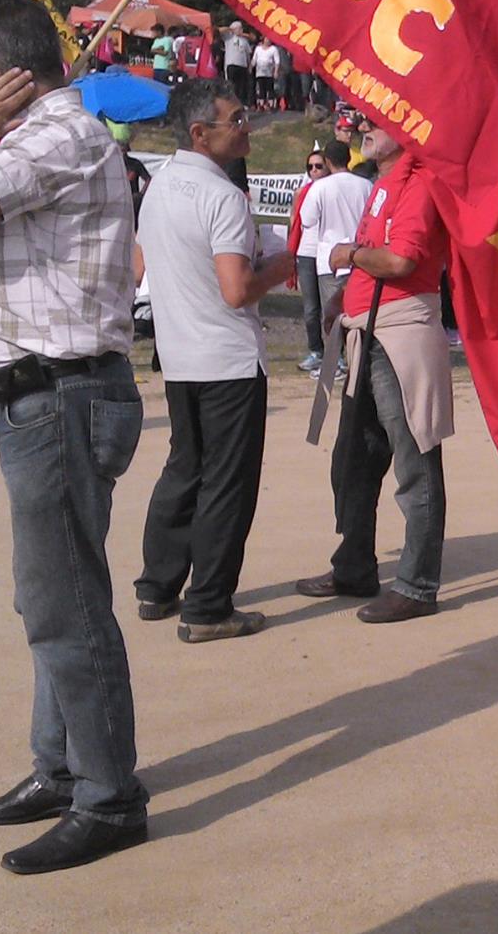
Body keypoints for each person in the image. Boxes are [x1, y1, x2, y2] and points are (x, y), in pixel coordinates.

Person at [0, 0, 147, 875]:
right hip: (49, 396)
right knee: (50, 598)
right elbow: (15, 244)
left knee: (66, 606)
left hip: (60, 398)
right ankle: (63, 767)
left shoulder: (56, 135)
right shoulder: (56, 140)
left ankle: (108, 797)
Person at [134, 79, 293, 643]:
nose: (246, 128)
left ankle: (158, 585)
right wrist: (281, 265)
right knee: (227, 483)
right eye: (237, 120)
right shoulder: (221, 196)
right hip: (226, 358)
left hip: (181, 353)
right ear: (200, 132)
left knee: (185, 469)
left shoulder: (159, 185)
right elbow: (236, 289)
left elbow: (140, 264)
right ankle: (207, 605)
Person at [297, 117, 454, 623]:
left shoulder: (419, 183)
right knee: (353, 460)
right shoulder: (385, 183)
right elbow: (382, 258)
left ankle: (417, 585)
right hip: (370, 332)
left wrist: (348, 254)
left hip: (399, 333)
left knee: (414, 462)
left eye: (376, 120)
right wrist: (345, 294)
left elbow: (401, 262)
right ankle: (354, 566)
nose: (363, 126)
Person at [297, 141, 373, 370]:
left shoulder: (320, 187)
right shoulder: (366, 185)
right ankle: (359, 356)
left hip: (329, 259)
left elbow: (307, 219)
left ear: (328, 162)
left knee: (332, 313)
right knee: (359, 310)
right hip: (360, 255)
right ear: (349, 158)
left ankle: (336, 359)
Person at [290, 149, 332, 373]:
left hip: (328, 253)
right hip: (306, 252)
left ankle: (337, 354)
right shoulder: (302, 192)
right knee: (310, 309)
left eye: (318, 166)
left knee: (331, 307)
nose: (314, 170)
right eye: (310, 167)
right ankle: (316, 351)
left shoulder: (333, 188)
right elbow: (296, 220)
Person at [223, 22, 252, 100]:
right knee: (232, 85)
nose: (241, 30)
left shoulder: (244, 40)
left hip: (242, 66)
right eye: (239, 28)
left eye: (241, 28)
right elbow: (219, 30)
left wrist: (249, 65)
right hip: (232, 64)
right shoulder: (228, 37)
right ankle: (232, 101)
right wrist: (231, 29)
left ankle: (242, 102)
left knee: (242, 86)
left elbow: (247, 54)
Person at [250, 33, 279, 111]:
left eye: (269, 39)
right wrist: (251, 67)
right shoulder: (258, 48)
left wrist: (276, 71)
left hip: (269, 73)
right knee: (261, 88)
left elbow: (277, 61)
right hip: (260, 72)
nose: (268, 40)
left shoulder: (273, 49)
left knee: (270, 88)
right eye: (267, 39)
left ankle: (270, 104)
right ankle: (261, 104)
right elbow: (254, 59)